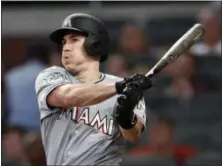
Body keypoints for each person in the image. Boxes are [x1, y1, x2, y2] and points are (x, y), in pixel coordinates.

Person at [35, 13, 152, 165]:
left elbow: (132, 136)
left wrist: (126, 115)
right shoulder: (52, 76)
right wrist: (118, 88)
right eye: (64, 42)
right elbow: (67, 96)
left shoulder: (128, 88)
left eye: (74, 40)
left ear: (94, 43)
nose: (66, 48)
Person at [130, 117, 197, 166]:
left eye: (161, 131)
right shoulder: (137, 154)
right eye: (155, 131)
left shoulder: (185, 152)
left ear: (172, 134)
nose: (157, 135)